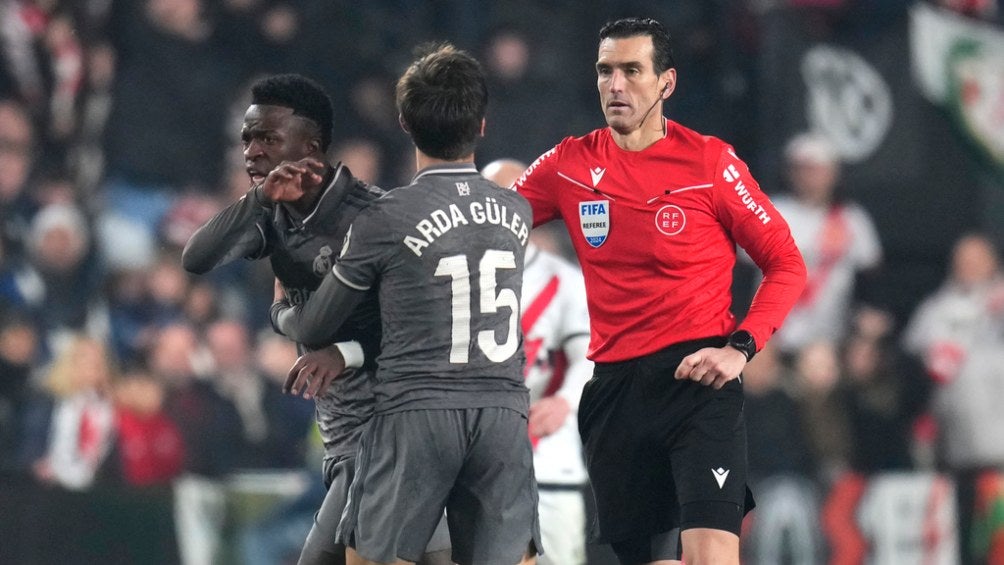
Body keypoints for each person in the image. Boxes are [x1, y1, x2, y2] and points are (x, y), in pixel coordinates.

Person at [512, 17, 807, 565]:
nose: (615, 85)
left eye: (631, 71)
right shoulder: (569, 164)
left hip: (697, 387)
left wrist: (740, 348)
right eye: (605, 71)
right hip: (614, 392)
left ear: (666, 83)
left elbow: (786, 263)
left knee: (711, 555)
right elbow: (491, 224)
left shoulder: (710, 163)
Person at [271, 44, 540, 565]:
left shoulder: (387, 217)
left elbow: (317, 322)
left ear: (404, 125)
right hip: (503, 412)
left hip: (417, 415)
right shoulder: (516, 211)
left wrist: (281, 306)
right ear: (481, 125)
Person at [181, 74, 450, 565]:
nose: (252, 152)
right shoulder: (271, 218)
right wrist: (259, 200)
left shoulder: (375, 216)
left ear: (311, 146)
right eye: (247, 139)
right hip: (341, 437)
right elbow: (197, 259)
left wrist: (339, 349)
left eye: (268, 138)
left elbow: (428, 328)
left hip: (396, 431)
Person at [483, 158, 591, 565]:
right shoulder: (448, 274)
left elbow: (590, 355)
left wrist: (565, 400)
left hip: (546, 458)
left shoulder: (564, 280)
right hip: (472, 461)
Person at [768, 132, 883, 356]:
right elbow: (739, 271)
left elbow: (872, 276)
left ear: (833, 174)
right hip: (772, 338)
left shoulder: (851, 219)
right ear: (791, 172)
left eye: (818, 170)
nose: (811, 177)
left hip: (830, 340)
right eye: (804, 169)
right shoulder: (770, 211)